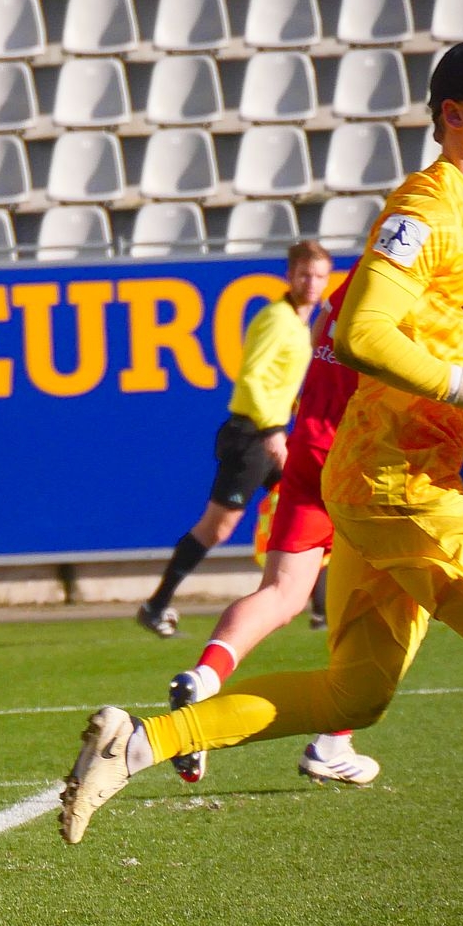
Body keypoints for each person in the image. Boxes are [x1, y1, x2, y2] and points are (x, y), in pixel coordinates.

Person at [59, 39, 463, 926]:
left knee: (357, 697)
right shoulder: (427, 205)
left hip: (401, 478)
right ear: (453, 117)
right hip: (393, 485)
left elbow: (446, 352)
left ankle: (143, 741)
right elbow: (360, 332)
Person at [167, 277, 380, 789]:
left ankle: (205, 676)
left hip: (309, 449)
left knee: (281, 592)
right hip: (358, 460)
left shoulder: (351, 286)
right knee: (382, 606)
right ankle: (333, 741)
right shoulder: (412, 284)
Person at [136, 241, 333, 639]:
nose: (311, 283)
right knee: (217, 528)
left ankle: (323, 612)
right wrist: (272, 431)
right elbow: (252, 377)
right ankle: (156, 606)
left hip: (271, 434)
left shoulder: (299, 322)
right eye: (304, 275)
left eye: (318, 276)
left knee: (312, 505)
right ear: (289, 276)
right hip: (253, 437)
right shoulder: (276, 319)